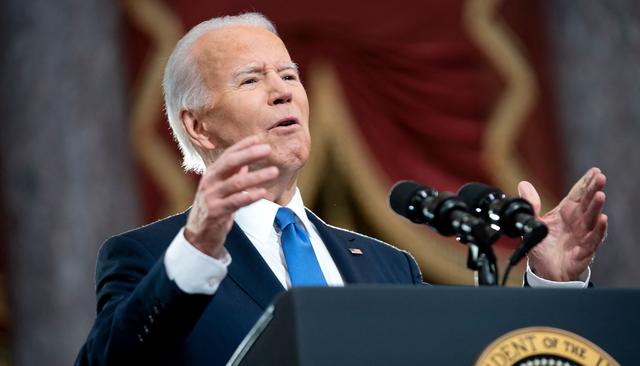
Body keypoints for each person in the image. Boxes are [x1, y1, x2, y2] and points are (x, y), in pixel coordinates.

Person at [75, 12, 607, 366]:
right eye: (251, 80)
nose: (283, 92)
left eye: (289, 75)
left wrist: (551, 285)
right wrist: (195, 251)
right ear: (198, 126)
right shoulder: (146, 258)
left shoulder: (385, 266)